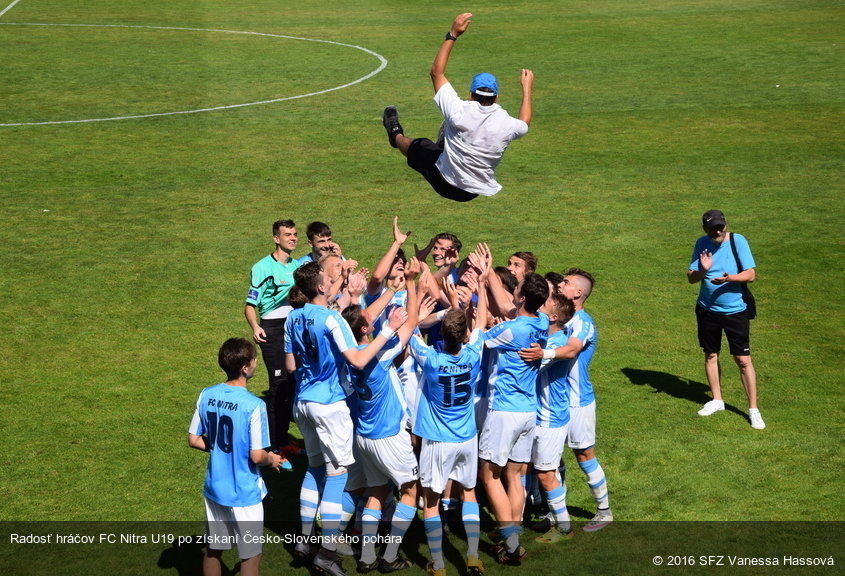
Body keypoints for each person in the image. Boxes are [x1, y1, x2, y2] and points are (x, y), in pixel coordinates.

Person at [284, 262, 408, 576]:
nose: (332, 280)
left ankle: (303, 539)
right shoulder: (331, 318)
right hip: (329, 406)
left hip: (303, 403)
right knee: (337, 476)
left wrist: (352, 295)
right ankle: (326, 553)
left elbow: (289, 365)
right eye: (329, 278)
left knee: (313, 469)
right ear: (321, 287)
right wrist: (388, 330)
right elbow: (358, 357)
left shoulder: (293, 317)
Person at [382, 13, 533, 201]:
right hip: (472, 193)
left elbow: (436, 73)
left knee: (418, 144)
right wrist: (526, 88)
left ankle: (394, 134)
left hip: (444, 180)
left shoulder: (459, 111)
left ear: (470, 94)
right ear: (497, 98)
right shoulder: (507, 123)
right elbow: (524, 121)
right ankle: (445, 147)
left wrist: (453, 34)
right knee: (440, 143)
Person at [409, 267, 490, 576]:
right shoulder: (472, 355)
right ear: (464, 335)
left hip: (438, 439)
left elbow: (411, 332)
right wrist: (480, 286)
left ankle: (438, 565)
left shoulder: (431, 359)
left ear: (441, 335)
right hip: (467, 438)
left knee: (431, 500)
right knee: (468, 493)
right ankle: (471, 556)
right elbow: (480, 323)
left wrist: (413, 292)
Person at [519, 268, 612, 532]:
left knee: (584, 455)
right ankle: (556, 512)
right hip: (554, 400)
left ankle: (604, 511)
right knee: (552, 460)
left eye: (567, 283)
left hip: (577, 401)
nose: (561, 285)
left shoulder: (582, 322)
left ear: (579, 293)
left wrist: (542, 354)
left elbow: (571, 349)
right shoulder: (558, 316)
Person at [187, 338, 284, 576]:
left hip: (215, 488)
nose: (256, 362)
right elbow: (256, 455)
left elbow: (194, 439)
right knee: (250, 557)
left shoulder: (206, 394)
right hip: (244, 492)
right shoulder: (254, 405)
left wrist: (220, 446)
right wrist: (272, 460)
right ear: (245, 367)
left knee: (213, 550)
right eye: (253, 358)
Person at [478, 273, 550, 565]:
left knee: (489, 475)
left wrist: (481, 293)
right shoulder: (542, 322)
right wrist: (488, 276)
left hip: (504, 411)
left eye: (517, 289)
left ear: (521, 297)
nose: (514, 292)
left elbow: (478, 339)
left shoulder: (512, 330)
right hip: (528, 411)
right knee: (515, 475)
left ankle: (511, 546)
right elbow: (510, 308)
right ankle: (513, 536)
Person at [687, 209, 764, 429]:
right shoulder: (701, 243)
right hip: (707, 309)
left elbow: (751, 274)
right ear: (705, 229)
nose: (718, 230)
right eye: (713, 227)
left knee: (743, 360)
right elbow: (691, 278)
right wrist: (702, 270)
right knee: (711, 354)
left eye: (721, 226)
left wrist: (728, 278)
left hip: (735, 311)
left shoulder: (738, 241)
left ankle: (753, 409)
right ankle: (717, 400)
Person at [244, 219, 301, 468]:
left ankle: (284, 441)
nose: (292, 238)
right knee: (278, 385)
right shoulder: (262, 267)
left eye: (295, 234)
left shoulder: (297, 265)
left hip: (293, 327)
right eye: (287, 235)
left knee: (292, 383)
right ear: (276, 239)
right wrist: (256, 327)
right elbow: (250, 305)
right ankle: (275, 447)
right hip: (272, 329)